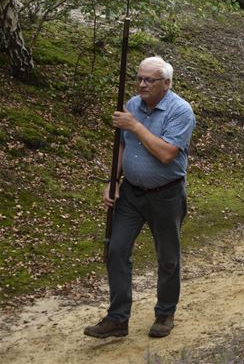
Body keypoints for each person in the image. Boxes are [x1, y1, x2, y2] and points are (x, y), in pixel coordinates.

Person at [84, 57, 196, 339]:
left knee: (167, 258)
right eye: (139, 78)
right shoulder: (132, 106)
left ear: (166, 84)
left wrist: (135, 126)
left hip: (166, 195)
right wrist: (113, 180)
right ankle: (118, 318)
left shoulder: (180, 111)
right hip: (131, 194)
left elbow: (166, 153)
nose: (142, 84)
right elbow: (123, 144)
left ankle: (165, 314)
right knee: (116, 250)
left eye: (149, 80)